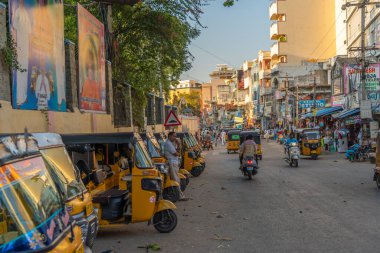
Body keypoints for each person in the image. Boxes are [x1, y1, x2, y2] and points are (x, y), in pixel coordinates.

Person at [164, 132, 187, 201]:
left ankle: (177, 195)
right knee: (176, 180)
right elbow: (176, 153)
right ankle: (180, 196)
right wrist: (179, 145)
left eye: (175, 136)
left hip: (173, 163)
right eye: (174, 136)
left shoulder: (171, 143)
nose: (175, 138)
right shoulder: (168, 144)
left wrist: (177, 144)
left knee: (175, 179)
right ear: (170, 136)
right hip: (172, 163)